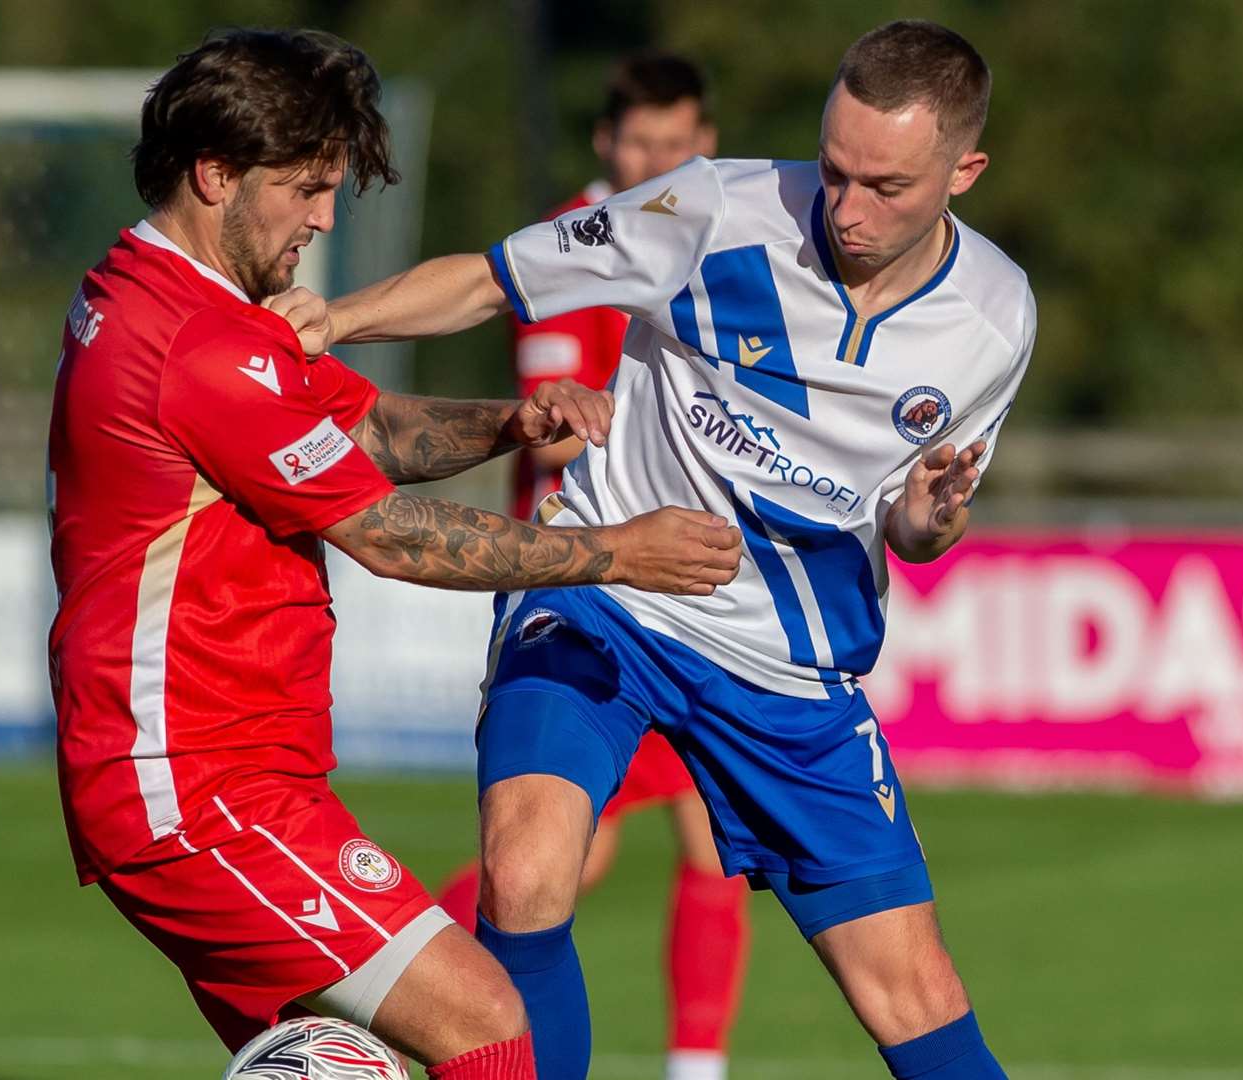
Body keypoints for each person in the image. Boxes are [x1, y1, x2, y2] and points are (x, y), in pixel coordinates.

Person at [277, 18, 1030, 1079]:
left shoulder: (993, 319)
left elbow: (912, 529)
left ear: (965, 169)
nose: (845, 210)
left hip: (787, 666)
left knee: (912, 995)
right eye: (834, 170)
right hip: (607, 592)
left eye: (885, 187)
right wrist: (324, 321)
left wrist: (933, 515)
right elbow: (492, 280)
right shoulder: (712, 209)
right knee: (528, 871)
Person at [44, 28, 742, 1080]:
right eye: (306, 188)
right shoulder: (202, 347)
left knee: (362, 1054)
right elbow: (392, 537)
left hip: (222, 781)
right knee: (489, 1027)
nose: (324, 218)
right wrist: (618, 553)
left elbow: (362, 428)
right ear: (214, 173)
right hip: (200, 796)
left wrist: (508, 423)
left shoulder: (161, 300)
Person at [434, 53, 749, 1080]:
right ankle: (383, 971)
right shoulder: (574, 251)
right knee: (548, 862)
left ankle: (694, 1067)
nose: (659, 161)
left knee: (713, 836)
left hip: (695, 589)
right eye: (640, 145)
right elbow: (551, 436)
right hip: (590, 582)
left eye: (677, 144)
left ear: (703, 143)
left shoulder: (724, 236)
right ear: (606, 147)